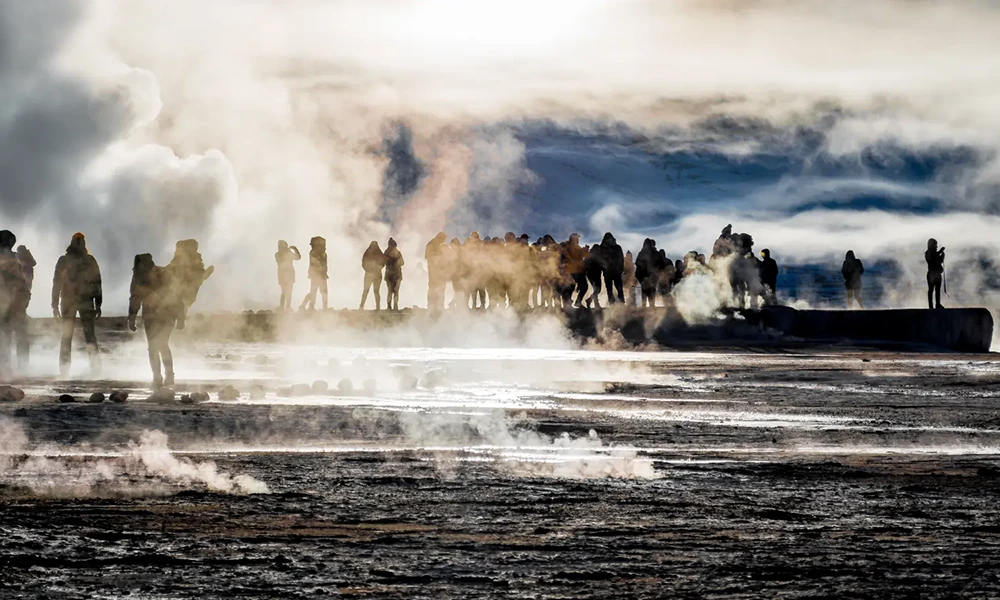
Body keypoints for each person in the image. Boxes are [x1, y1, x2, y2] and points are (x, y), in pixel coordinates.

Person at [128, 254, 183, 389]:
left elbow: (176, 296)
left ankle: (166, 377)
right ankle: (159, 377)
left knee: (159, 345)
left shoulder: (164, 275)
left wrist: (181, 317)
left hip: (166, 315)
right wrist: (132, 317)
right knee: (155, 347)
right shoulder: (141, 277)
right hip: (153, 316)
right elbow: (135, 298)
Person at [52, 233, 102, 376]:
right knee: (74, 335)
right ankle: (67, 370)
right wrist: (54, 303)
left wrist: (98, 303)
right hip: (74, 300)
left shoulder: (84, 260)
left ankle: (92, 369)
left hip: (80, 300)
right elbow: (57, 283)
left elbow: (97, 282)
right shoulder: (76, 261)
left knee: (83, 335)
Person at [0, 231, 30, 374]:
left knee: (9, 337)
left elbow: (19, 286)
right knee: (16, 337)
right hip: (12, 304)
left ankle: (12, 369)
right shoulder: (11, 260)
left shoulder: (10, 261)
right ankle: (17, 368)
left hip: (11, 304)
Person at [299, 236, 328, 311]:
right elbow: (316, 264)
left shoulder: (322, 253)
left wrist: (324, 273)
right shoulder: (314, 253)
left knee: (321, 292)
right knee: (314, 292)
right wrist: (321, 273)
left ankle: (322, 307)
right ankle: (308, 306)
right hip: (316, 275)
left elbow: (324, 264)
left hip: (321, 275)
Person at [562, 234, 588, 307]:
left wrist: (585, 251)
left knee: (584, 286)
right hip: (571, 271)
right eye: (577, 238)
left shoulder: (576, 247)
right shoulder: (567, 247)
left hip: (578, 271)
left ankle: (577, 301)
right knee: (570, 288)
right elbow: (572, 258)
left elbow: (583, 256)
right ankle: (567, 303)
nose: (578, 240)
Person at [275, 240, 301, 311]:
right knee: (284, 291)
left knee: (289, 291)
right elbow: (280, 261)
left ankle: (288, 306)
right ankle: (282, 306)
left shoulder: (288, 253)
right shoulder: (278, 254)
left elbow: (298, 257)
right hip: (283, 273)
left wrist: (295, 250)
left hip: (289, 272)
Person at [425, 232, 448, 310]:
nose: (443, 241)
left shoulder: (437, 245)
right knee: (433, 288)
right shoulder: (431, 245)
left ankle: (439, 305)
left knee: (440, 288)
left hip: (440, 272)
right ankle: (432, 305)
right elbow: (429, 257)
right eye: (443, 239)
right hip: (434, 271)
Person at [600, 232, 625, 305]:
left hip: (614, 271)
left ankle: (620, 302)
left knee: (618, 288)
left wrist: (620, 269)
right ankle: (615, 302)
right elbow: (600, 260)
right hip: (610, 272)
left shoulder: (616, 248)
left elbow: (621, 259)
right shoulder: (603, 248)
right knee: (612, 289)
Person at [360, 240, 386, 310]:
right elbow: (383, 263)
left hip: (372, 274)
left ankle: (362, 306)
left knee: (369, 291)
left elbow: (383, 263)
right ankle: (375, 307)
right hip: (373, 274)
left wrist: (369, 269)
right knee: (373, 291)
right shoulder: (378, 253)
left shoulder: (368, 253)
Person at [635, 238, 660, 307]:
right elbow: (660, 264)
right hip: (650, 276)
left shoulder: (641, 253)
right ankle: (650, 306)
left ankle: (646, 307)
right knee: (650, 292)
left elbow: (637, 263)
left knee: (646, 292)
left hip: (646, 277)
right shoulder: (655, 253)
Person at [383, 238, 405, 311]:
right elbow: (383, 262)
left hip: (395, 274)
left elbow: (402, 262)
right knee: (391, 291)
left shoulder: (395, 253)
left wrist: (396, 262)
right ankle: (390, 306)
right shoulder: (387, 253)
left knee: (395, 291)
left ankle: (394, 305)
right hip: (391, 275)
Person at [925, 238, 945, 309]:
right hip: (932, 274)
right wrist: (940, 252)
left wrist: (942, 257)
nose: (936, 247)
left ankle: (937, 304)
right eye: (935, 245)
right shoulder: (928, 253)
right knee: (931, 290)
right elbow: (933, 259)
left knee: (937, 290)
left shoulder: (933, 254)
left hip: (937, 273)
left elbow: (938, 261)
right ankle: (931, 305)